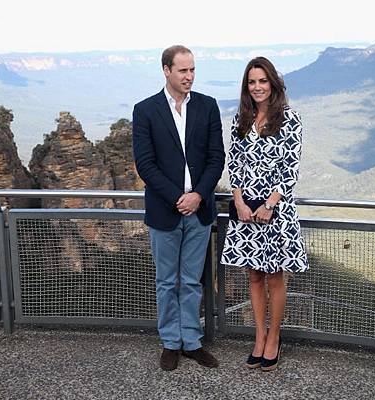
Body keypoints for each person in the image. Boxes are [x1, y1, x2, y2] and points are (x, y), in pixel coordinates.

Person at [132, 45, 225, 371]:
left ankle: (192, 342)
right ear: (166, 70)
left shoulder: (208, 106)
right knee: (166, 281)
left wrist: (198, 195)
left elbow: (217, 158)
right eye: (183, 70)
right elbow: (145, 164)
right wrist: (178, 198)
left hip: (199, 210)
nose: (189, 76)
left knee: (191, 281)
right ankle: (170, 342)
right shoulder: (145, 110)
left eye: (193, 70)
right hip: (165, 211)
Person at [220, 57, 309, 372]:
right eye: (251, 82)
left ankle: (274, 337)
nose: (257, 87)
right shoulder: (240, 119)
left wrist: (269, 204)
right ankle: (258, 337)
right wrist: (239, 200)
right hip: (245, 211)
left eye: (262, 81)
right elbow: (235, 165)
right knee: (254, 275)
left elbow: (290, 168)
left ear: (273, 83)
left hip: (275, 211)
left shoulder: (289, 118)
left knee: (274, 276)